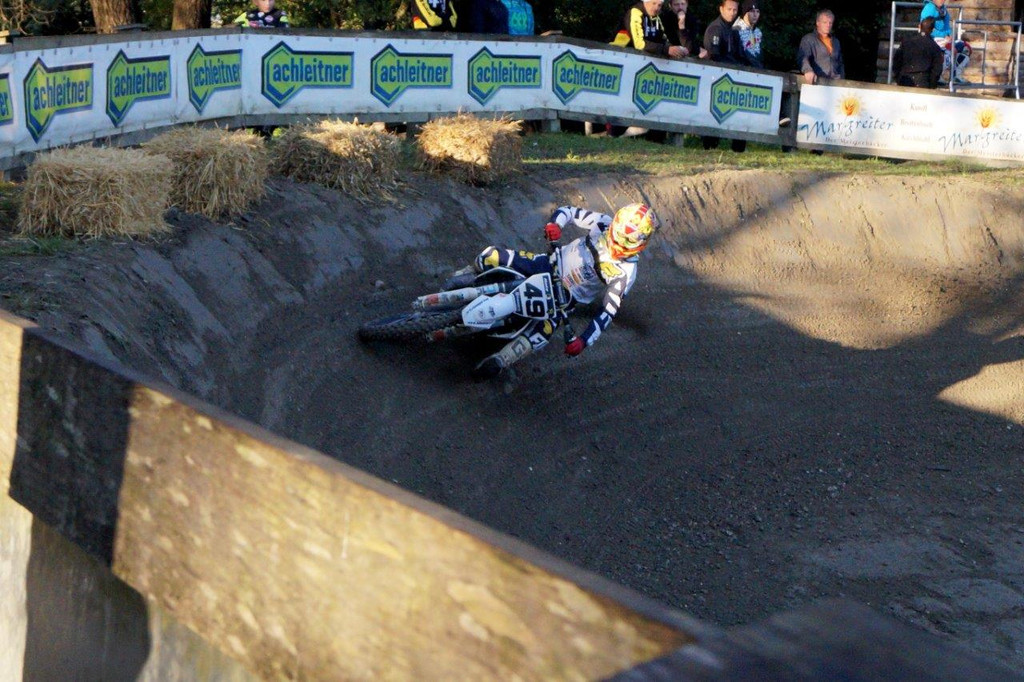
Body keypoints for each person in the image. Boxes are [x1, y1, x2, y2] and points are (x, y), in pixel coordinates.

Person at [470, 203, 660, 379]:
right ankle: (464, 276)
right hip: (548, 264)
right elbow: (568, 212)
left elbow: (607, 312)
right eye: (616, 236)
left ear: (640, 244)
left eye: (624, 243)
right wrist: (555, 224)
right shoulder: (603, 222)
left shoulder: (626, 272)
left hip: (565, 298)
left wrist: (584, 341)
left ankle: (501, 360)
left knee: (542, 332)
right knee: (492, 255)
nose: (616, 245)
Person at [703, 0, 745, 152]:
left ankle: (738, 148)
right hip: (717, 78)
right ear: (721, 9)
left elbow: (740, 54)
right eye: (729, 9)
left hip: (734, 77)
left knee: (738, 112)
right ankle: (709, 146)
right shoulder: (715, 28)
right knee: (714, 112)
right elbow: (714, 55)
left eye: (735, 10)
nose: (732, 13)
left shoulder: (735, 29)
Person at [611, 0, 686, 59]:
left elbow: (662, 39)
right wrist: (666, 50)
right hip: (618, 55)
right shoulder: (635, 12)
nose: (656, 8)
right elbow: (639, 44)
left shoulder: (656, 17)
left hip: (641, 59)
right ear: (645, 2)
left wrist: (677, 50)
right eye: (654, 3)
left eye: (659, 5)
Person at [920, 0, 971, 84]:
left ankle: (956, 75)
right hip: (933, 39)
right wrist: (944, 36)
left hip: (944, 39)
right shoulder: (929, 8)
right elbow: (926, 28)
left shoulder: (943, 9)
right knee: (947, 51)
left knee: (964, 47)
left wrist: (950, 35)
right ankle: (937, 75)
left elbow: (947, 26)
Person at [893, 16, 945, 88]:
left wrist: (898, 78)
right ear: (933, 30)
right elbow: (937, 69)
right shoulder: (935, 47)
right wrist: (932, 85)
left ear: (919, 26)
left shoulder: (906, 42)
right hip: (923, 82)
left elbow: (896, 61)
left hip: (905, 80)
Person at [797, 9, 845, 84]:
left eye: (830, 23)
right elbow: (803, 57)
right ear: (818, 23)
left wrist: (842, 80)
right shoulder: (808, 39)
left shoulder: (836, 42)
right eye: (825, 22)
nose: (828, 25)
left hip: (835, 84)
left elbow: (840, 63)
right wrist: (808, 70)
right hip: (816, 82)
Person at [733, 0, 763, 68]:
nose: (755, 15)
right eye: (752, 11)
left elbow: (759, 55)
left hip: (757, 69)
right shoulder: (736, 30)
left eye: (757, 11)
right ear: (745, 13)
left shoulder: (758, 32)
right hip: (741, 69)